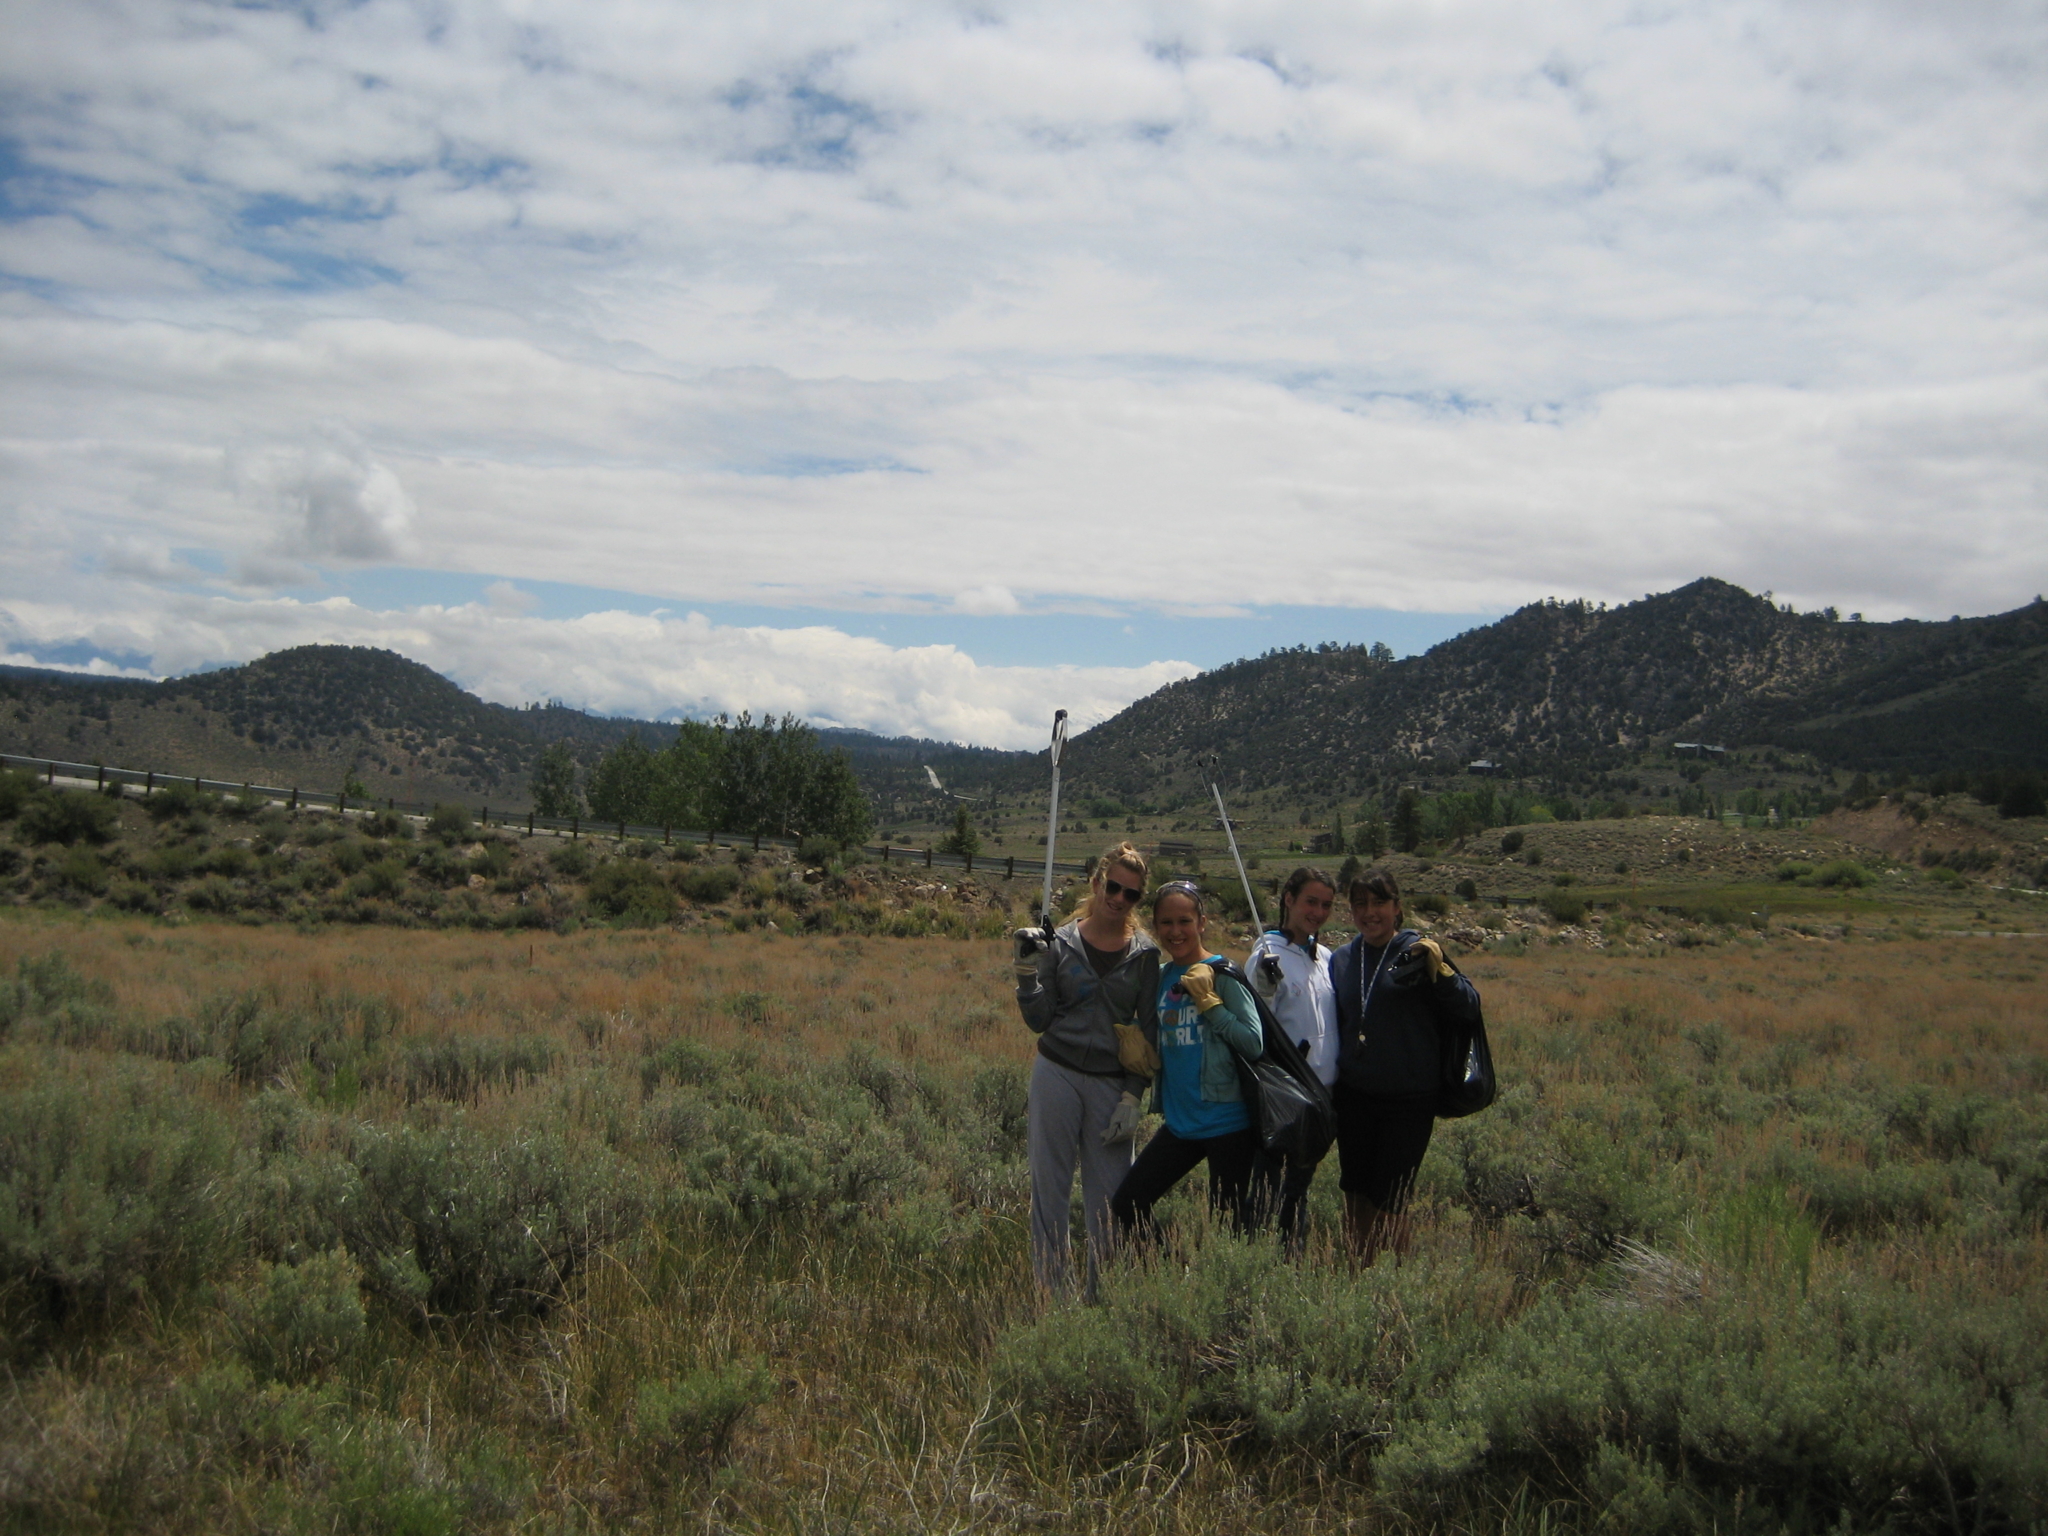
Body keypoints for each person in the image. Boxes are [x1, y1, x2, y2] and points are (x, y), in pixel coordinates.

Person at [1013, 842, 1158, 1298]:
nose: (1118, 898)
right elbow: (1039, 1019)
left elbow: (1149, 1031)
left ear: (1139, 900)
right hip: (1055, 1073)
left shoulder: (1146, 955)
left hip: (1111, 1087)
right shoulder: (1059, 942)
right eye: (1112, 887)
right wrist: (1026, 974)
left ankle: (1103, 1301)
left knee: (1110, 1203)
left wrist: (1133, 1096)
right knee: (1049, 1192)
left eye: (1130, 894)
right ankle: (1052, 1298)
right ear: (1096, 884)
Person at [1327, 866, 1482, 1264]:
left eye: (1379, 902)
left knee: (1391, 1204)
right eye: (1360, 903)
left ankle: (1391, 1283)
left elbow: (1469, 1005)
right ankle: (1357, 1271)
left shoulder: (1417, 952)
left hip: (1408, 1101)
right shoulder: (1343, 959)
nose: (1369, 912)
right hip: (1354, 1097)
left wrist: (1442, 971)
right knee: (1356, 1193)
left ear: (1397, 908)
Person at [1108, 880, 1265, 1243]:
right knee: (1129, 1203)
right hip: (1181, 1124)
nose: (1175, 932)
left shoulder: (1222, 973)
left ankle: (1226, 1296)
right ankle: (1172, 1274)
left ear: (1201, 923)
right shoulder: (1163, 979)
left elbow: (1252, 1042)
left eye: (1184, 921)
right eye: (1166, 923)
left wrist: (1210, 1004)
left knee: (1229, 1233)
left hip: (1228, 1124)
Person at [1246, 866, 1340, 1246]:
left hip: (1324, 1097)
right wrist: (1265, 988)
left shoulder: (1327, 957)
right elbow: (1254, 1017)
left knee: (1299, 1190)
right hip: (1284, 1097)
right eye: (1310, 902)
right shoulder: (1267, 955)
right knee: (1267, 1193)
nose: (1317, 912)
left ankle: (1291, 1261)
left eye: (1326, 905)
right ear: (1289, 900)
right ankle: (1252, 1265)